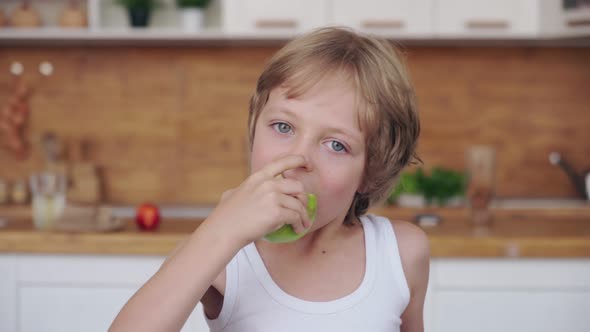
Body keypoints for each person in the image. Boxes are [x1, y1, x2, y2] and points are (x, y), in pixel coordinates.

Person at [109, 26, 429, 332]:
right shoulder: (222, 253)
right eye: (283, 127)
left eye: (336, 145)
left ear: (371, 172)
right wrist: (223, 229)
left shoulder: (400, 254)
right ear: (254, 125)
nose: (297, 160)